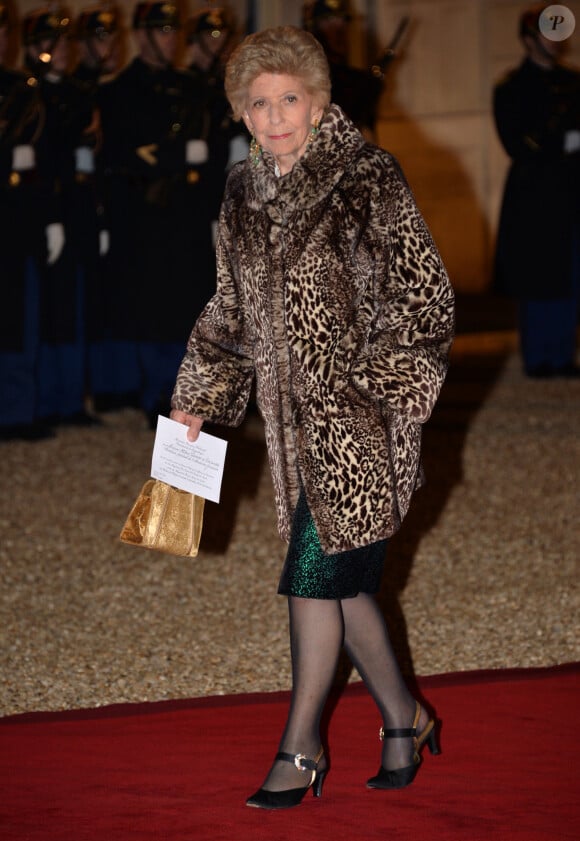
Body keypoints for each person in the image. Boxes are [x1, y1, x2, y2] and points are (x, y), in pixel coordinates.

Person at [170, 26, 454, 809]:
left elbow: (424, 299)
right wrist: (199, 396)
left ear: (319, 99)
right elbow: (228, 312)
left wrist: (375, 390)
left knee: (310, 580)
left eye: (289, 98)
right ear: (241, 112)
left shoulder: (369, 177)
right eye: (258, 103)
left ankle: (302, 745)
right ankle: (405, 715)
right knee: (344, 587)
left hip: (363, 428)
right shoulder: (240, 191)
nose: (275, 116)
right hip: (290, 435)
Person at [98, 2, 223, 427]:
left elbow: (212, 155)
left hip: (186, 214)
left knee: (189, 306)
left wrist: (212, 212)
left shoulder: (192, 87)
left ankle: (186, 396)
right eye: (162, 29)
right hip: (143, 215)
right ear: (141, 35)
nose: (171, 38)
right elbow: (120, 154)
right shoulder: (117, 89)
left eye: (174, 29)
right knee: (150, 307)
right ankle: (156, 395)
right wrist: (175, 154)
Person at [493, 3, 580, 378]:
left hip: (570, 190)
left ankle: (561, 354)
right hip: (534, 194)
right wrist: (562, 141)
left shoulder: (573, 82)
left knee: (569, 273)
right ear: (530, 39)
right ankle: (539, 355)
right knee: (538, 275)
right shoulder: (511, 87)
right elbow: (518, 142)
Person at [302, 0, 383, 140]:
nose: (338, 28)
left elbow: (368, 139)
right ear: (313, 28)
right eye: (328, 21)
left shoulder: (358, 81)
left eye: (342, 21)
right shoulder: (303, 76)